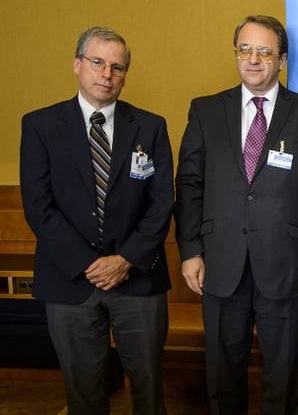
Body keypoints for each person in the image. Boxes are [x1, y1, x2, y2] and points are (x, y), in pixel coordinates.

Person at [173, 15, 298, 414]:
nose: (253, 59)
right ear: (236, 55)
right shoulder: (206, 110)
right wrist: (190, 250)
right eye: (245, 49)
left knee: (283, 375)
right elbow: (189, 184)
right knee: (222, 371)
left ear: (281, 60)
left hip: (288, 266)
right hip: (220, 264)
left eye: (265, 51)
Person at [19, 26, 173, 414]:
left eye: (117, 67)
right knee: (84, 394)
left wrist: (124, 261)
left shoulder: (151, 127)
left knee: (149, 389)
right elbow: (39, 206)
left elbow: (161, 202)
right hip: (70, 281)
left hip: (138, 278)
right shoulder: (40, 126)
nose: (107, 74)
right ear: (77, 65)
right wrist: (91, 265)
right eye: (98, 63)